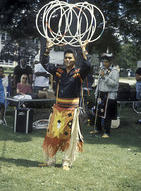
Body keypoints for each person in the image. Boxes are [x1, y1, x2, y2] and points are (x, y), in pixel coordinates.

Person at [38, 39, 91, 170]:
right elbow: (44, 63)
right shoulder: (59, 72)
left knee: (69, 137)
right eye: (65, 58)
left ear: (74, 60)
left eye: (70, 58)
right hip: (58, 109)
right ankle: (50, 160)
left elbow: (88, 65)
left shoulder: (79, 73)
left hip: (71, 110)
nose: (67, 60)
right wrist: (48, 49)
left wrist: (84, 49)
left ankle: (66, 162)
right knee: (52, 135)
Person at [90, 53, 119, 138]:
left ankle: (107, 132)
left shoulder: (114, 71)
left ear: (110, 62)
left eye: (106, 62)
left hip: (109, 95)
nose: (104, 64)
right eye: (103, 62)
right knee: (98, 113)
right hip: (101, 94)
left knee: (107, 115)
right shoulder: (102, 70)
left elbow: (114, 84)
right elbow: (99, 83)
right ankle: (98, 129)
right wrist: (96, 93)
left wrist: (104, 77)